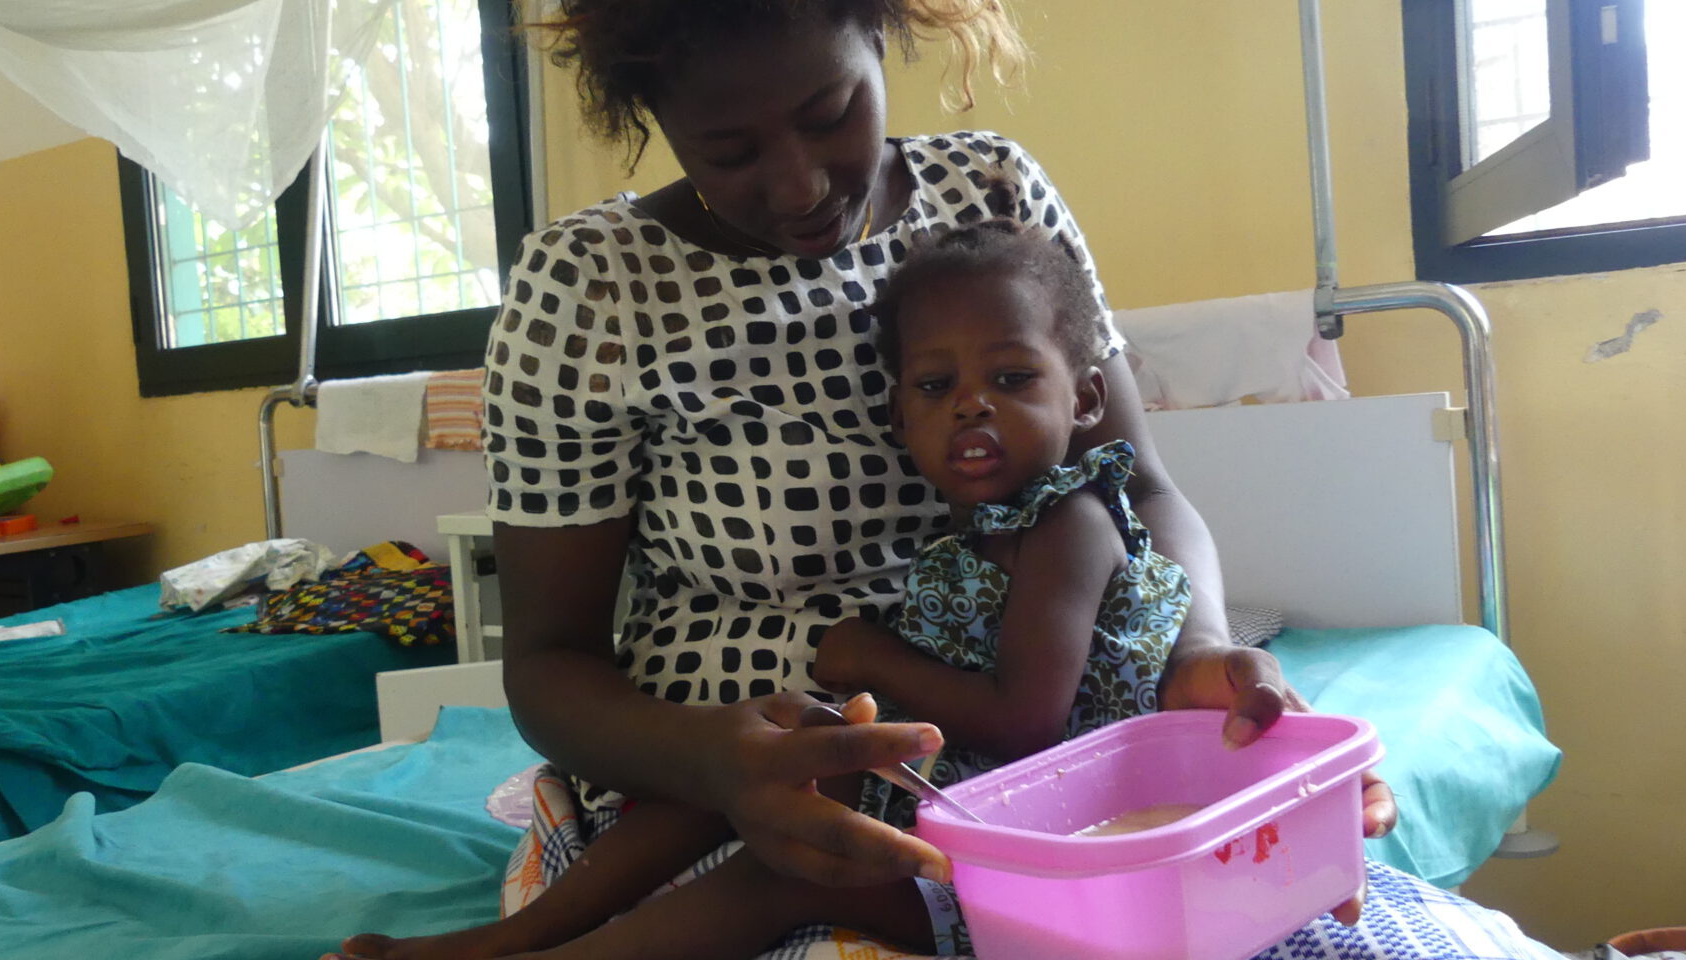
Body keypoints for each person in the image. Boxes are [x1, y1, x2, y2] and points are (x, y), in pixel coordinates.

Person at [330, 1, 1405, 958]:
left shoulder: (991, 194)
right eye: (729, 147)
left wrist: (1202, 647)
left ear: (885, 31)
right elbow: (548, 667)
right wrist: (714, 759)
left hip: (982, 748)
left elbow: (1141, 491)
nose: (797, 184)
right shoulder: (588, 290)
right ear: (655, 118)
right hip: (704, 753)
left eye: (830, 109)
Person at [338, 219, 1190, 960]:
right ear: (900, 420)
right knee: (745, 774)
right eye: (937, 388)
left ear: (1083, 399)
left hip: (1039, 869)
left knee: (788, 872)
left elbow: (1026, 719)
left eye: (1011, 380)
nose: (971, 406)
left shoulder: (1067, 527)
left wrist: (869, 658)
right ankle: (516, 932)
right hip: (973, 797)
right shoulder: (994, 528)